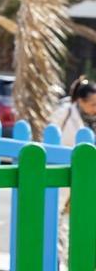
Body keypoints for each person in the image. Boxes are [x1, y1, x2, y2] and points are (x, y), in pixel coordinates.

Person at [47, 76, 96, 261]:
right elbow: (51, 138)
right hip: (65, 170)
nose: (95, 107)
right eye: (92, 103)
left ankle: (79, 257)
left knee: (83, 216)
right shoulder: (64, 114)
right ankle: (58, 256)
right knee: (59, 214)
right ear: (80, 101)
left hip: (88, 176)